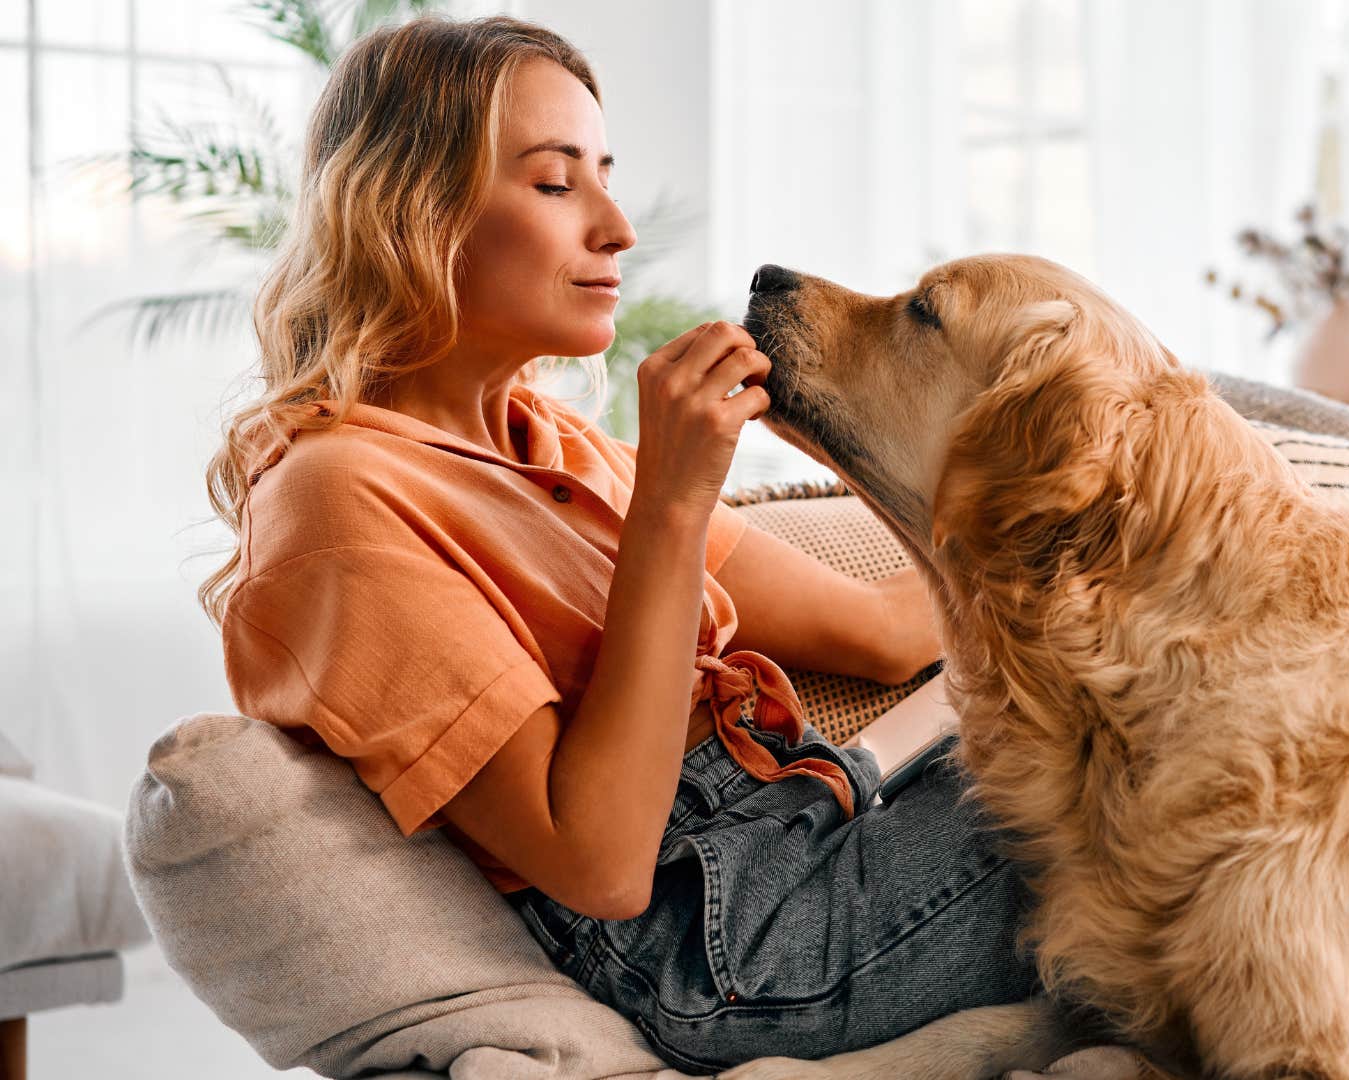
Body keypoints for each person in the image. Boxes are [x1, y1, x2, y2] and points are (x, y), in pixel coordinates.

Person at [201, 14, 1042, 1073]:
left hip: (809, 825)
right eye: (557, 185)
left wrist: (1074, 552)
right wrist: (674, 505)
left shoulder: (550, 446)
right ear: (409, 214)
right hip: (724, 949)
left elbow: (883, 635)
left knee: (1155, 738)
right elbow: (600, 866)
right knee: (1163, 801)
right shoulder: (337, 507)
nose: (616, 227)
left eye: (606, 176)